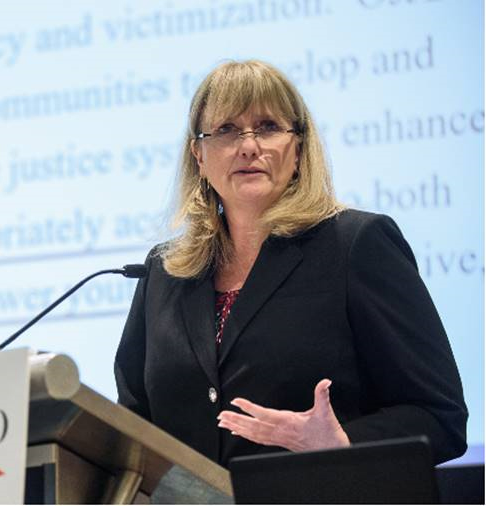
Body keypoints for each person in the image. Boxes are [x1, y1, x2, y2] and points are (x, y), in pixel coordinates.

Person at [114, 60, 467, 468]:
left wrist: (343, 444)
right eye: (226, 129)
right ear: (199, 156)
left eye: (267, 127)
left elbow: (440, 417)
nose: (248, 145)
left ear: (298, 148)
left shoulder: (355, 246)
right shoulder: (165, 271)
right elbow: (133, 423)